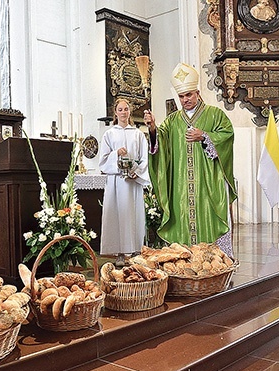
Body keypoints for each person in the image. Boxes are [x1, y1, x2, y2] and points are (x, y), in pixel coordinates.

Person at [143, 63, 237, 257]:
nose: (185, 100)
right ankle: (184, 261)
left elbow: (227, 135)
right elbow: (161, 144)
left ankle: (216, 262)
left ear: (197, 93)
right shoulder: (172, 120)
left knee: (209, 221)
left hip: (208, 183)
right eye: (182, 96)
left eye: (189, 95)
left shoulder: (215, 114)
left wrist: (205, 136)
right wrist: (152, 128)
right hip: (181, 186)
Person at [99, 98, 150, 265]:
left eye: (126, 109)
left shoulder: (138, 134)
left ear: (130, 111)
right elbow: (103, 160)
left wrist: (137, 172)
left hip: (132, 182)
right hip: (116, 183)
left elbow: (144, 158)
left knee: (133, 214)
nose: (123, 112)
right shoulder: (109, 134)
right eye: (120, 109)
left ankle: (135, 251)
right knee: (117, 215)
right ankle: (119, 253)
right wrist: (116, 154)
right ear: (115, 112)